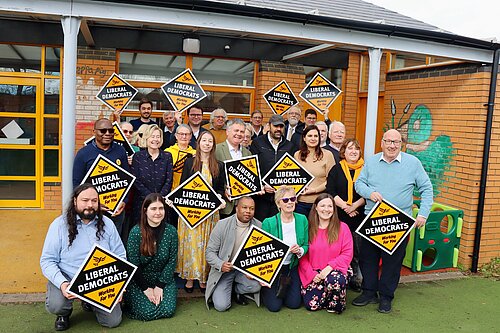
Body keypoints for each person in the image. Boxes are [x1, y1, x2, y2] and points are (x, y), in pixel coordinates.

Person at [353, 129, 433, 313]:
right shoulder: (371, 161)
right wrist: (369, 193)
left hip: (398, 222)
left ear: (401, 144)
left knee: (392, 262)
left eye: (396, 142)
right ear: (381, 142)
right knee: (368, 259)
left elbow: (426, 189)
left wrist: (422, 214)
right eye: (388, 141)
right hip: (372, 220)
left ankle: (386, 297)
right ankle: (369, 292)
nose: (392, 145)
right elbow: (359, 184)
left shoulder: (413, 163)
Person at [40, 184, 125, 331]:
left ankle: (90, 302)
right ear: (74, 201)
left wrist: (119, 287)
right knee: (56, 305)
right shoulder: (59, 225)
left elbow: (120, 255)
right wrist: (62, 284)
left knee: (113, 321)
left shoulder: (108, 224)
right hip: (68, 277)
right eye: (85, 200)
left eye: (94, 201)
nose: (90, 205)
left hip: (98, 279)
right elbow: (47, 260)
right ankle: (64, 313)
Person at [175, 131, 226, 293]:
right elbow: (183, 186)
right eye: (204, 140)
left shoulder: (219, 165)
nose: (207, 143)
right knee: (191, 245)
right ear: (199, 143)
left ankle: (204, 278)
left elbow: (219, 188)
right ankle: (190, 278)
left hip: (210, 214)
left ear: (213, 145)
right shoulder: (189, 163)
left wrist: (219, 197)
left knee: (206, 245)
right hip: (190, 213)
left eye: (210, 141)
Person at [124, 193, 178, 321]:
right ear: (145, 210)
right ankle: (130, 305)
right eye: (153, 209)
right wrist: (146, 289)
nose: (158, 212)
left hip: (163, 278)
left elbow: (172, 261)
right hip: (140, 280)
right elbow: (133, 264)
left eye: (161, 208)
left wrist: (160, 286)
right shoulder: (135, 232)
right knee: (147, 312)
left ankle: (152, 302)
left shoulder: (171, 231)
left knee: (168, 310)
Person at [72, 118, 129, 236]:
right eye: (103, 131)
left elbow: (127, 179)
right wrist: (93, 204)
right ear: (94, 132)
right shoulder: (83, 153)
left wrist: (124, 200)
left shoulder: (120, 151)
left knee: (113, 240)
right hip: (92, 210)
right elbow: (77, 183)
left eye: (110, 131)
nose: (107, 134)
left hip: (116, 210)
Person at [298, 193, 353, 313]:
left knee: (335, 280)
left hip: (335, 269)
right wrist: (313, 275)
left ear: (334, 209)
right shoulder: (308, 228)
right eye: (323, 206)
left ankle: (336, 299)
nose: (326, 209)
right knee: (311, 305)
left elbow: (347, 253)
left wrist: (329, 268)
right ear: (316, 207)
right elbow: (302, 256)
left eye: (330, 206)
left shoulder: (343, 228)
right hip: (314, 271)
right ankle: (328, 293)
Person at [205, 197, 262, 311]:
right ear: (237, 209)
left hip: (243, 271)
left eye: (251, 208)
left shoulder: (259, 226)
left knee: (256, 286)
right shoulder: (222, 225)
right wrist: (221, 264)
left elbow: (261, 254)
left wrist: (253, 270)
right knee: (221, 306)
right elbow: (209, 253)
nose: (248, 211)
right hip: (225, 270)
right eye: (244, 207)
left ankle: (236, 290)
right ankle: (226, 289)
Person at [261, 186, 309, 312]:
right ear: (278, 203)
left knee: (294, 304)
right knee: (274, 307)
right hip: (274, 269)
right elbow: (263, 250)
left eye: (292, 199)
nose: (290, 202)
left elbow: (306, 245)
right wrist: (262, 276)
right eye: (285, 200)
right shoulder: (269, 222)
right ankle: (267, 291)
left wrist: (299, 250)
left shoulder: (302, 219)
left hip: (292, 267)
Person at [326, 139, 365, 291]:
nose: (353, 151)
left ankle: (357, 279)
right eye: (350, 148)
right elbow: (331, 190)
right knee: (339, 249)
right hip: (340, 216)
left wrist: (354, 205)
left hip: (360, 215)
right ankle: (341, 276)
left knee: (358, 250)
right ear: (344, 151)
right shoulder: (336, 169)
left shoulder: (366, 169)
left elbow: (370, 189)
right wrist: (345, 206)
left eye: (356, 149)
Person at [250, 114, 294, 222]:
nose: (278, 129)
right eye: (275, 126)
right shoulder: (257, 143)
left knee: (278, 227)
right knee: (261, 226)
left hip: (281, 198)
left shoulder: (290, 146)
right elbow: (252, 168)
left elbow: (292, 171)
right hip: (262, 197)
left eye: (281, 126)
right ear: (269, 126)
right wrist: (261, 185)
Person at [131, 124, 173, 228]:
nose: (155, 139)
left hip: (162, 204)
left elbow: (169, 179)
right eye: (152, 136)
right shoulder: (138, 157)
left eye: (158, 136)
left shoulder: (167, 156)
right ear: (146, 138)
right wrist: (151, 198)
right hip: (141, 203)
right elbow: (136, 180)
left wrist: (158, 199)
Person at [293, 125, 335, 217]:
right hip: (300, 203)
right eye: (310, 136)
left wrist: (315, 190)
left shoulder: (328, 155)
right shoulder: (297, 155)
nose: (313, 138)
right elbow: (293, 178)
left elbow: (331, 180)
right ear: (304, 138)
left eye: (316, 136)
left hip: (320, 203)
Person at [215, 118, 251, 218]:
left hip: (242, 207)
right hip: (224, 206)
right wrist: (223, 189)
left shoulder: (248, 153)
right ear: (227, 132)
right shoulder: (216, 150)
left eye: (242, 131)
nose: (239, 134)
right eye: (236, 130)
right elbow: (211, 175)